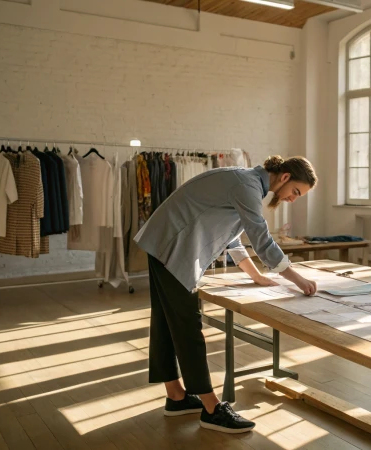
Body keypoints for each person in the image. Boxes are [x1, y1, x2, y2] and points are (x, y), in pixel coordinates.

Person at [134, 155, 318, 433]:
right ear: (284, 177)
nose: (293, 198)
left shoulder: (244, 181)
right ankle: (211, 409)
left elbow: (232, 235)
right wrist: (296, 278)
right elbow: (261, 237)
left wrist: (255, 276)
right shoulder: (246, 186)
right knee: (187, 326)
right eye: (295, 192)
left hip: (163, 241)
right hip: (171, 246)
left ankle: (176, 397)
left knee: (166, 321)